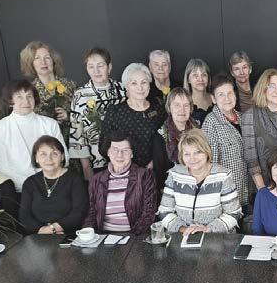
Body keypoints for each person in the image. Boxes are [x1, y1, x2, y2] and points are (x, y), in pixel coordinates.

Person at [158, 129, 242, 233]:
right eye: (187, 154)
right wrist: (184, 229)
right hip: (182, 235)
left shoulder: (223, 175)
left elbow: (233, 213)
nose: (192, 158)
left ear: (207, 151)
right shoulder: (174, 174)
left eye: (198, 152)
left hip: (215, 237)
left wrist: (208, 229)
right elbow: (165, 211)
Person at [99, 63, 166, 191]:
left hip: (154, 173)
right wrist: (125, 164)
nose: (140, 87)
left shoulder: (159, 110)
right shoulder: (115, 112)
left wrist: (154, 163)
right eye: (134, 83)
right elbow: (103, 146)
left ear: (149, 84)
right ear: (126, 86)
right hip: (124, 176)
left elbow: (166, 141)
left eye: (144, 82)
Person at [0, 80, 67, 192]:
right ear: (10, 100)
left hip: (52, 185)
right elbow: (0, 166)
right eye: (19, 97)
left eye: (29, 96)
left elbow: (64, 157)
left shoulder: (50, 124)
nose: (26, 101)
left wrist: (47, 181)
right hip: (18, 189)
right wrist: (29, 185)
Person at [69, 47, 126, 179]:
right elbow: (77, 133)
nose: (96, 71)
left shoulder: (122, 89)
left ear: (109, 67)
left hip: (123, 158)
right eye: (91, 67)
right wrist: (86, 166)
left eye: (100, 66)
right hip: (95, 162)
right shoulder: (80, 95)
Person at [83, 131, 156, 234]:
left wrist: (132, 237)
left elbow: (149, 213)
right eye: (115, 150)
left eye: (125, 150)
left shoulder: (144, 176)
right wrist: (87, 233)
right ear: (108, 152)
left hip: (134, 235)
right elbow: (92, 212)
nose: (119, 155)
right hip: (104, 235)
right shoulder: (96, 179)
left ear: (132, 153)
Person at [19, 136, 88, 235]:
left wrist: (53, 228)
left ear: (62, 157)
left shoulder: (75, 180)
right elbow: (24, 216)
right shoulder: (30, 183)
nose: (49, 159)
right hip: (38, 236)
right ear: (36, 158)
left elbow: (79, 212)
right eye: (43, 154)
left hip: (68, 235)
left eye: (54, 153)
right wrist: (42, 230)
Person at [202, 75, 249, 208]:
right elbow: (210, 166)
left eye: (230, 93)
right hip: (227, 196)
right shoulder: (210, 123)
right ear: (213, 99)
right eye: (221, 95)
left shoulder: (244, 118)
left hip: (248, 191)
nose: (227, 98)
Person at [20, 41, 76, 138]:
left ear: (53, 61)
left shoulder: (70, 85)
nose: (43, 62)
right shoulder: (29, 92)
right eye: (37, 58)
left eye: (47, 57)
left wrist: (68, 116)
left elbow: (82, 115)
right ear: (31, 64)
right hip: (45, 141)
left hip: (72, 141)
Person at [159, 88, 199, 165]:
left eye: (186, 105)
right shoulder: (160, 136)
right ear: (169, 107)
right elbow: (159, 170)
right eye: (177, 105)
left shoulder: (199, 129)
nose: (182, 110)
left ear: (191, 108)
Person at [183, 59, 212, 125]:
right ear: (188, 80)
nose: (200, 79)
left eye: (204, 75)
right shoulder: (184, 104)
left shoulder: (217, 99)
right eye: (195, 75)